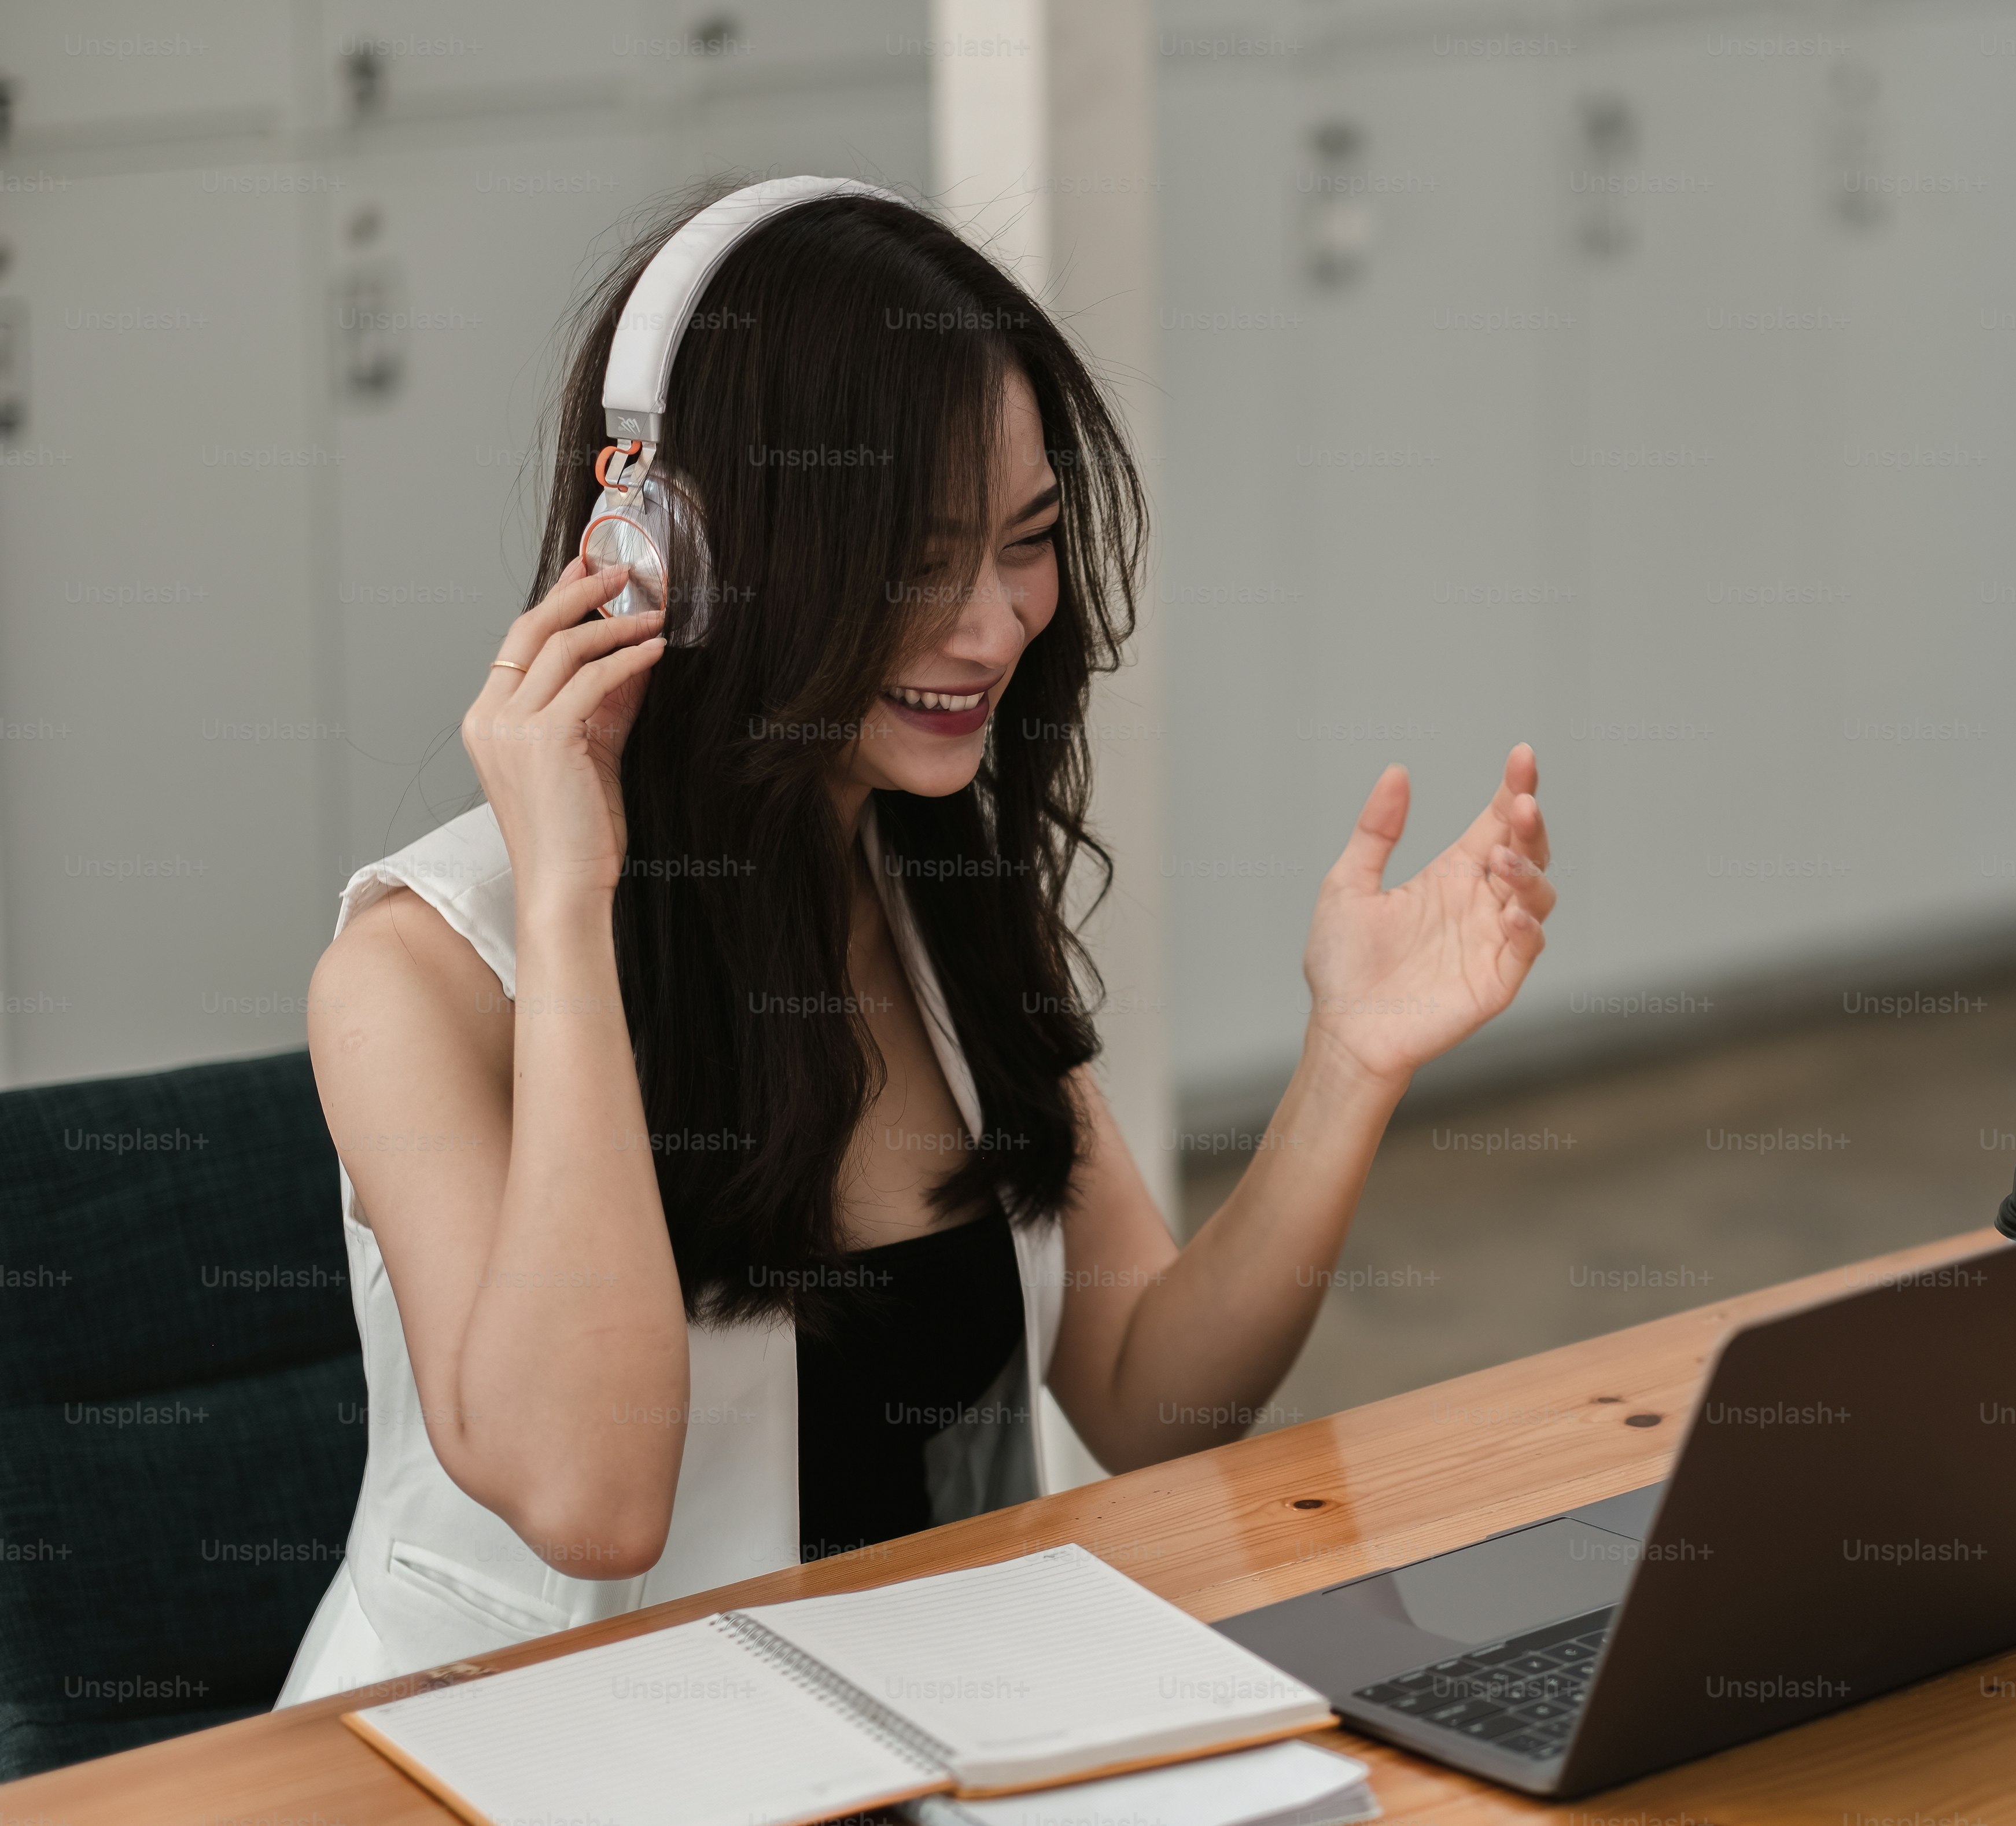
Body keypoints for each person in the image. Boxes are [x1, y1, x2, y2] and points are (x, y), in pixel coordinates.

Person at [276, 183, 1555, 1703]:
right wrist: (570, 906)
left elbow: (1149, 1395)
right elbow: (593, 1497)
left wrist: (1347, 1062)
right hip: (539, 1760)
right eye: (913, 559)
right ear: (667, 548)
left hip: (919, 1727)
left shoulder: (921, 871)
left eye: (1026, 542)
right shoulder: (420, 977)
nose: (993, 624)